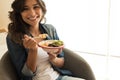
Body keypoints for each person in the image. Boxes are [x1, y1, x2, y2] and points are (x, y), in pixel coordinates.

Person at [6, 0, 85, 80]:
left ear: (42, 9)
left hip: (58, 77)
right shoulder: (14, 37)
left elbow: (61, 62)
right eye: (25, 9)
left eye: (36, 7)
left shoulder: (50, 30)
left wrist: (54, 59)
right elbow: (25, 75)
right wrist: (33, 51)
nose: (32, 13)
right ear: (19, 13)